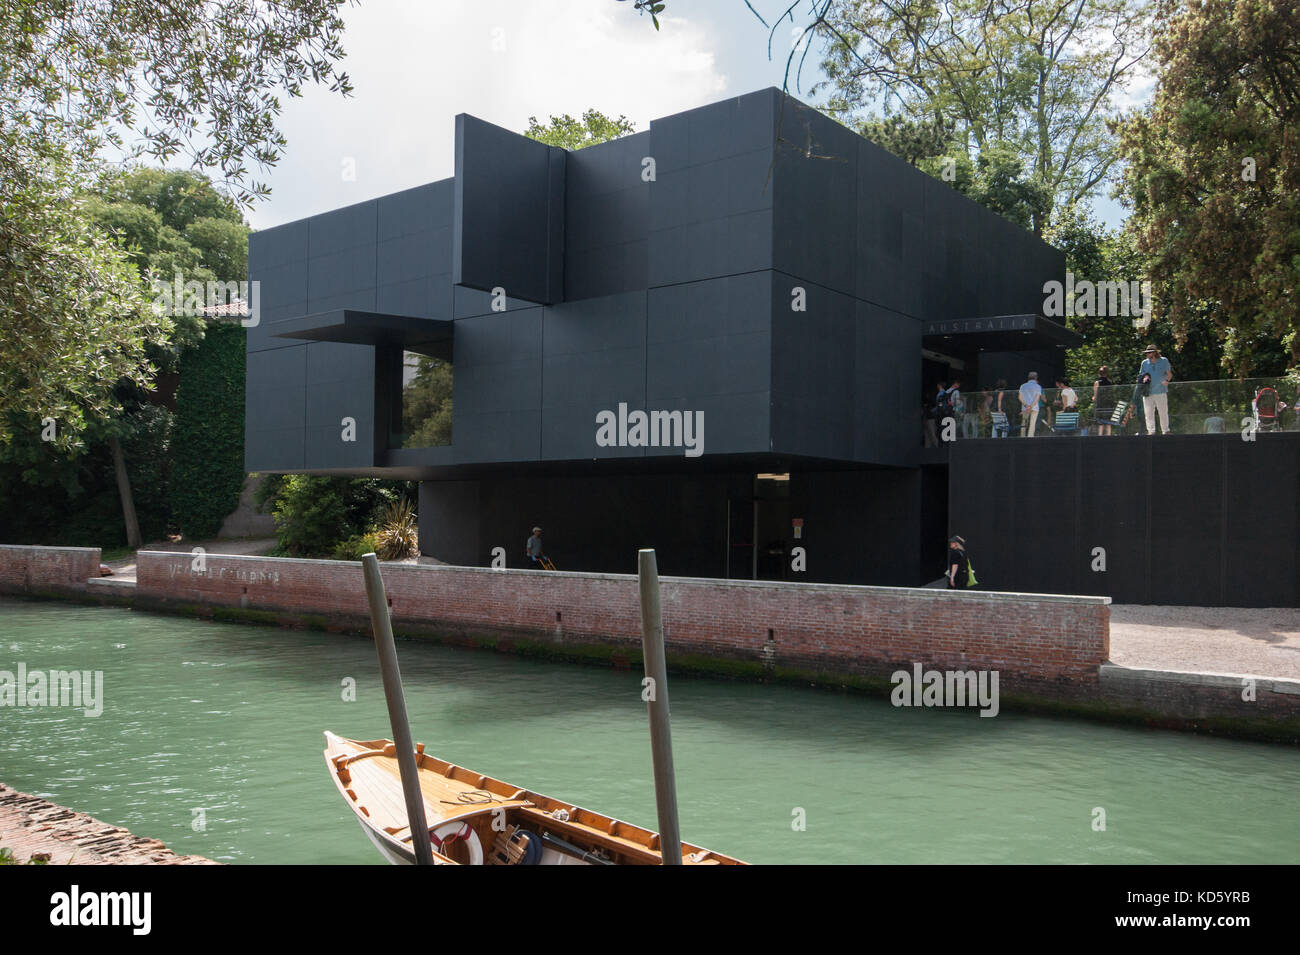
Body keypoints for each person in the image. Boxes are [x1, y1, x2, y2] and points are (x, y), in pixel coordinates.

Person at [1139, 344, 1173, 435]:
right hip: (1148, 392)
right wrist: (1144, 378)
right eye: (1146, 353)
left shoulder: (1164, 361)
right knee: (1148, 413)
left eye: (1149, 353)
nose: (1147, 354)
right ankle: (1151, 431)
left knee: (1163, 412)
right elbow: (1141, 376)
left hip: (1161, 391)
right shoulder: (1144, 363)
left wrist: (1166, 380)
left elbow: (1169, 374)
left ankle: (1165, 431)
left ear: (1154, 353)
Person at [1018, 372, 1042, 437]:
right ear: (1036, 377)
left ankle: (1022, 437)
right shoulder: (1038, 386)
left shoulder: (1022, 386)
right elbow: (1037, 398)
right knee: (1032, 424)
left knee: (1024, 424)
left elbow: (1020, 397)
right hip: (1034, 408)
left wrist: (1026, 406)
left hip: (1025, 408)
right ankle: (1030, 438)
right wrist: (1031, 406)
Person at [1093, 366, 1114, 436]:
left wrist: (1094, 399)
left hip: (1100, 405)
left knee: (1100, 423)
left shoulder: (1097, 383)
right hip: (1108, 404)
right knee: (1108, 423)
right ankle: (1108, 437)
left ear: (1099, 374)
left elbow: (1095, 396)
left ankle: (1100, 437)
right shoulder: (1110, 382)